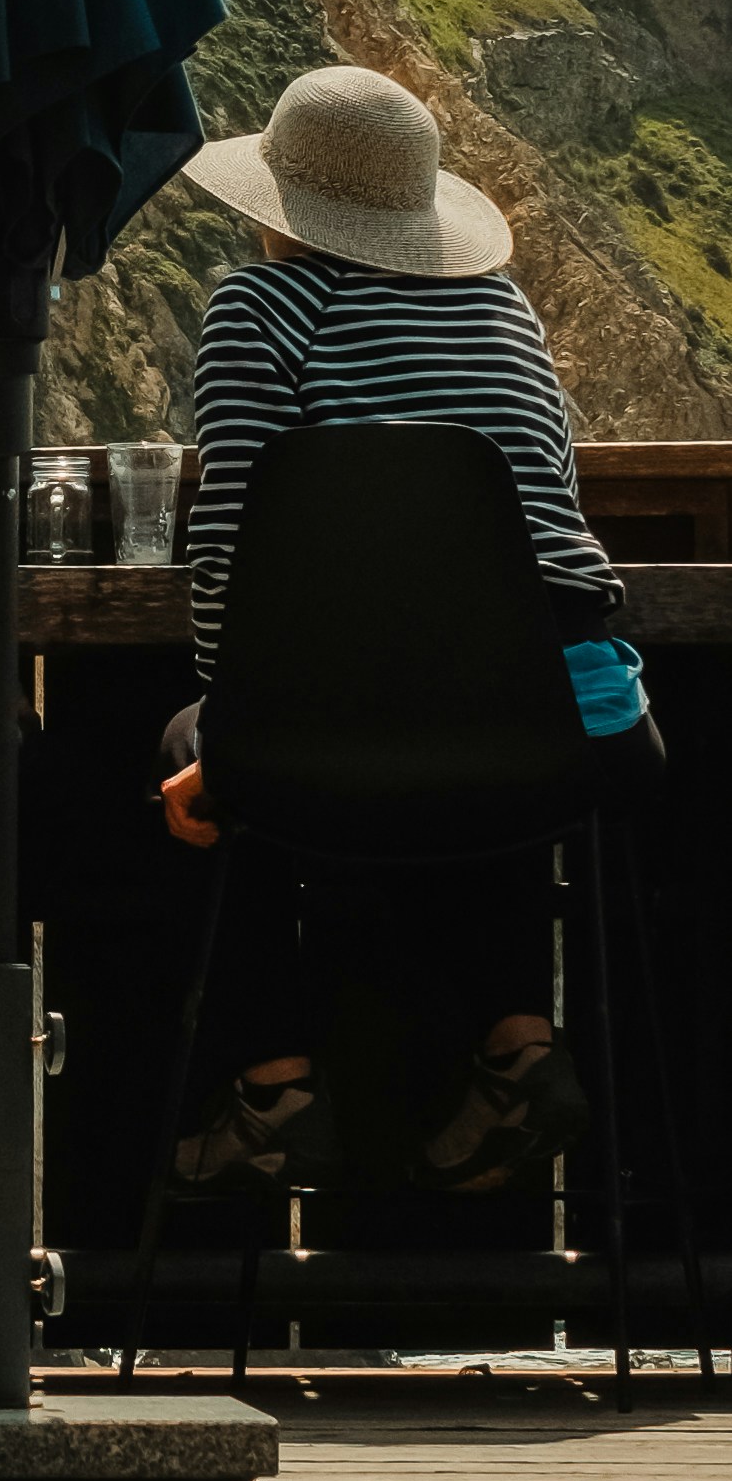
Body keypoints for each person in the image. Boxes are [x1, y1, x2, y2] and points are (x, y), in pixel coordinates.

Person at [161, 61, 656, 1193]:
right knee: (462, 750)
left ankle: (276, 1090)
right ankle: (519, 1046)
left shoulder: (258, 307)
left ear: (282, 207)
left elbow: (232, 541)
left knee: (196, 764)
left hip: (358, 720)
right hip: (565, 719)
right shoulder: (505, 309)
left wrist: (224, 723)